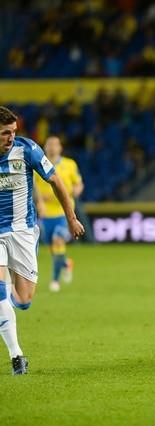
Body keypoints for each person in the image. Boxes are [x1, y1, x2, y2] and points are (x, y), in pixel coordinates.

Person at [0, 106, 85, 375]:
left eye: (13, 132)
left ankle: (9, 289)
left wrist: (72, 218)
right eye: (4, 133)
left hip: (23, 232)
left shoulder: (27, 150)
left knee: (23, 300)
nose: (10, 137)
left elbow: (56, 182)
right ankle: (17, 356)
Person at [34, 136, 84, 292]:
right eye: (49, 144)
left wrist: (76, 190)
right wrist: (40, 202)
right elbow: (34, 186)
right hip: (46, 214)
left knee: (58, 240)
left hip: (64, 213)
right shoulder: (39, 164)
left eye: (55, 144)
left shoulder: (70, 164)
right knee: (54, 249)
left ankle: (55, 281)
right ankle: (65, 264)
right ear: (45, 147)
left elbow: (78, 183)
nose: (52, 147)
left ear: (60, 148)